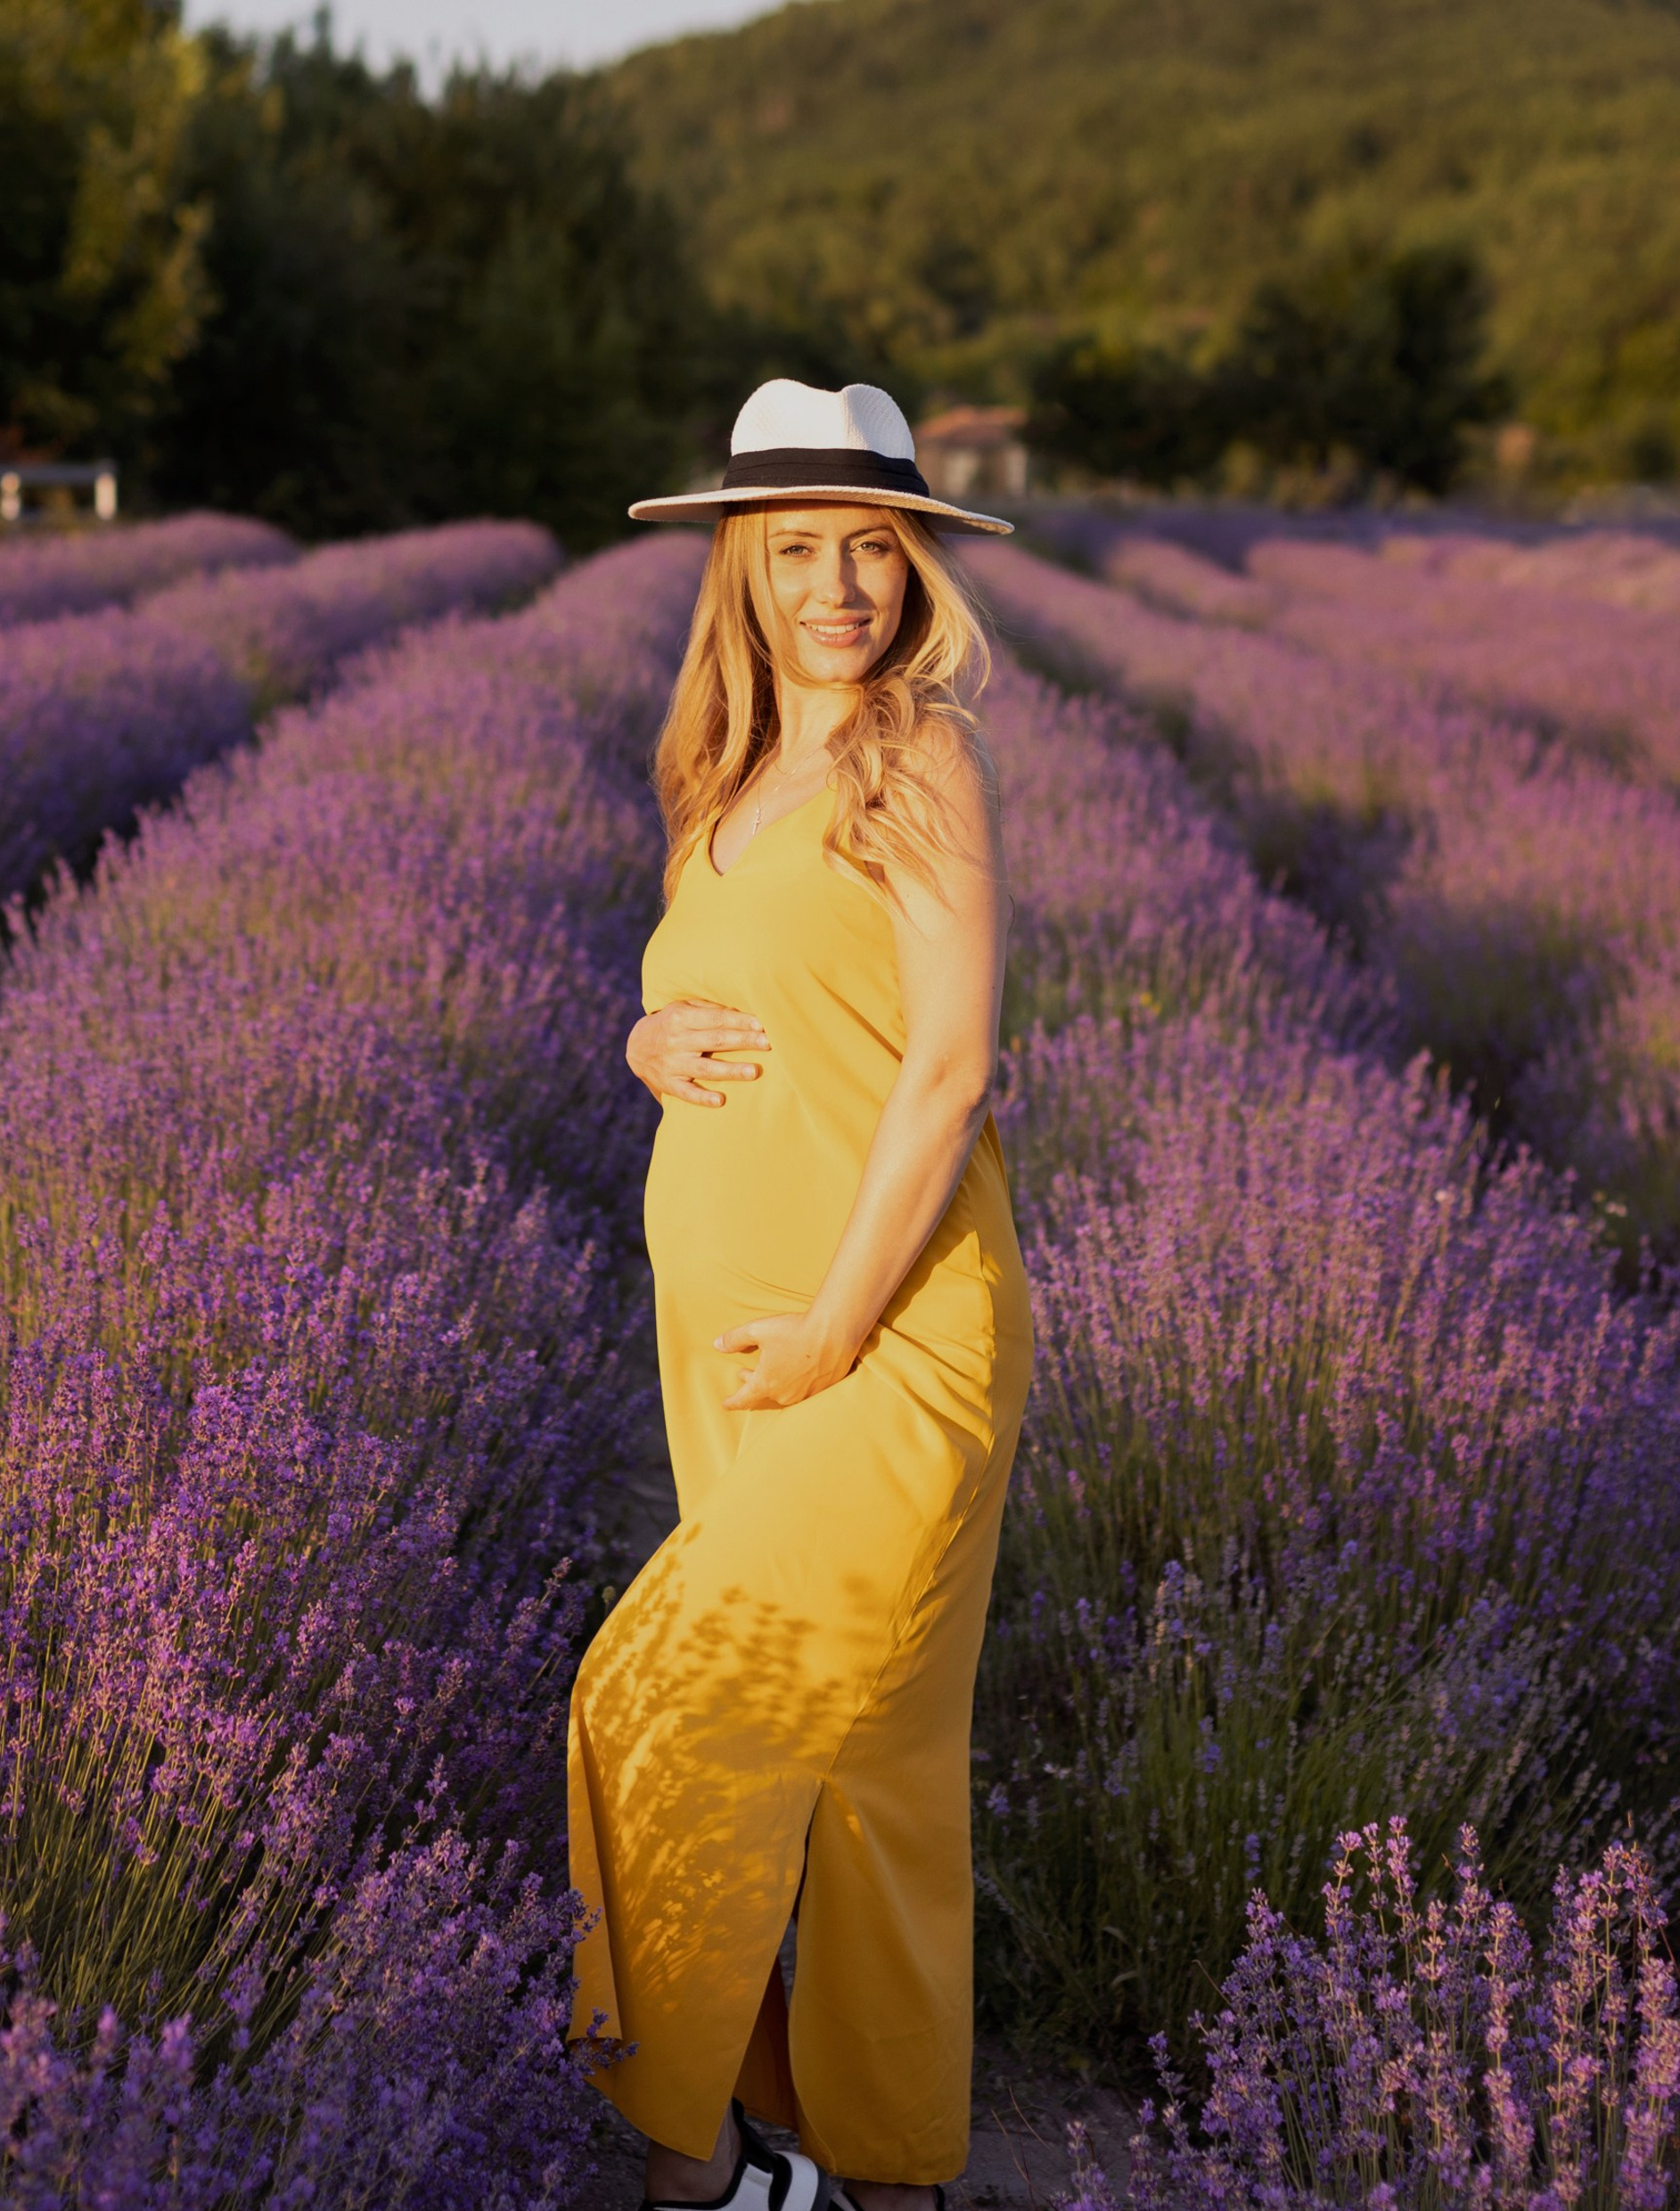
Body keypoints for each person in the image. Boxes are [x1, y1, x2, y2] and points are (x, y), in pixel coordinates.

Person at [568, 380, 1033, 2211]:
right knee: (863, 1778)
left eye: (869, 548)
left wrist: (838, 1325)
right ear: (740, 575)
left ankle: (690, 2158)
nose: (836, 585)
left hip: (884, 1343)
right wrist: (636, 1033)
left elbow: (945, 1067)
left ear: (913, 570)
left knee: (662, 1710)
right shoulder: (718, 774)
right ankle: (857, 2173)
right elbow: (709, 989)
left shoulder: (910, 756)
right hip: (734, 1354)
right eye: (796, 552)